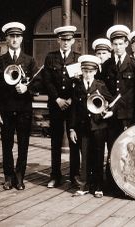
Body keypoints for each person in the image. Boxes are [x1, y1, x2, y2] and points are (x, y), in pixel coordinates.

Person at [0, 22, 38, 190]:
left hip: (24, 109)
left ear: (21, 38)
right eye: (11, 36)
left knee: (23, 144)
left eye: (17, 36)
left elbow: (37, 83)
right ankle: (8, 177)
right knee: (6, 145)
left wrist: (27, 88)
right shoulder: (1, 60)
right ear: (6, 39)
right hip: (5, 110)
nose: (14, 39)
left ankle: (19, 177)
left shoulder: (29, 60)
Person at [100, 25, 135, 192]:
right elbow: (103, 89)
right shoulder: (107, 65)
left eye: (120, 43)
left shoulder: (134, 65)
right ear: (112, 46)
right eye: (115, 44)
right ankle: (112, 184)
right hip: (111, 116)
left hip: (127, 116)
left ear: (126, 44)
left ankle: (128, 185)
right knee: (112, 149)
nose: (117, 47)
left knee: (129, 150)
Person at [69, 55, 114, 198]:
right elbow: (74, 109)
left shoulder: (100, 85)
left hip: (99, 127)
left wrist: (108, 109)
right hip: (83, 128)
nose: (88, 74)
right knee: (85, 158)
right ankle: (84, 186)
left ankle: (98, 187)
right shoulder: (77, 87)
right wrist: (72, 128)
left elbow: (111, 100)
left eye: (90, 71)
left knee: (99, 157)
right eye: (85, 71)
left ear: (95, 71)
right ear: (81, 71)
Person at [42, 25, 81, 188]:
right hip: (56, 104)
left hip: (72, 106)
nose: (66, 42)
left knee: (74, 142)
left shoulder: (78, 58)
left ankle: (74, 175)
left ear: (73, 40)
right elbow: (47, 81)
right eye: (63, 39)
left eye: (69, 39)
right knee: (56, 141)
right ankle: (55, 175)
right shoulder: (50, 58)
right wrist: (57, 99)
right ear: (58, 40)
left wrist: (72, 100)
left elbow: (79, 83)